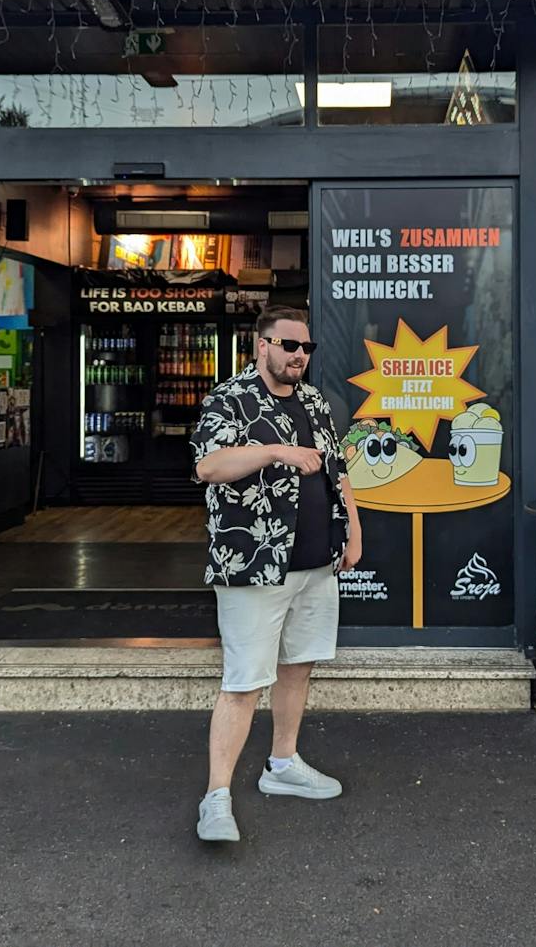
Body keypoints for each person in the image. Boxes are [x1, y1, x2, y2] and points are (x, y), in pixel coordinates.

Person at [189, 305, 362, 843]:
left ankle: (282, 765)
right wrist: (273, 452)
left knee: (298, 668)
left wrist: (354, 530)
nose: (299, 356)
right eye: (288, 345)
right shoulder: (230, 398)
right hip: (254, 566)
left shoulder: (314, 400)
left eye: (306, 348)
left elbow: (338, 471)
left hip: (316, 562)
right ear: (261, 344)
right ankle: (216, 797)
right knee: (243, 683)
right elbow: (207, 467)